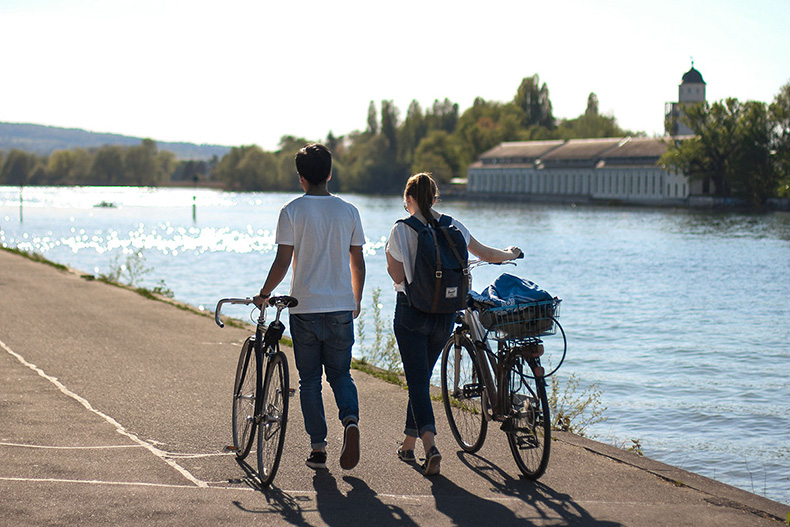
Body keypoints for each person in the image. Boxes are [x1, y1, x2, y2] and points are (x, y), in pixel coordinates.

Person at [385, 172, 521, 476]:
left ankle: (430, 446)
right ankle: (408, 444)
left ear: (409, 200)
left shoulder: (401, 230)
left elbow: (396, 277)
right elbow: (486, 254)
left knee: (417, 382)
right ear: (434, 198)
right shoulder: (453, 225)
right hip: (445, 315)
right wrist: (511, 253)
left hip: (411, 313)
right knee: (420, 379)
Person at [254, 143, 366, 471]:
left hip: (303, 308)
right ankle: (350, 421)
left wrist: (264, 292)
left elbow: (283, 260)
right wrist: (355, 299)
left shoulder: (291, 211)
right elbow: (357, 260)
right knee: (341, 374)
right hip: (340, 307)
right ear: (330, 174)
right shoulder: (349, 211)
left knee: (309, 381)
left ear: (301, 178)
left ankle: (318, 448)